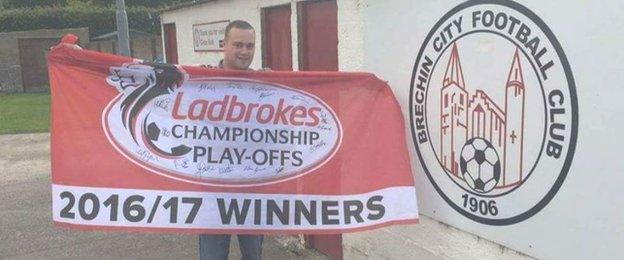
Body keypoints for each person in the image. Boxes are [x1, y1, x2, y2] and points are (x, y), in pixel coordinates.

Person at [198, 20, 264, 260]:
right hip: (213, 189)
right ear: (223, 45)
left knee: (253, 255)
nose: (245, 52)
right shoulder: (200, 81)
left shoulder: (266, 85)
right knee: (212, 256)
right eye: (238, 45)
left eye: (250, 46)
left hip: (253, 187)